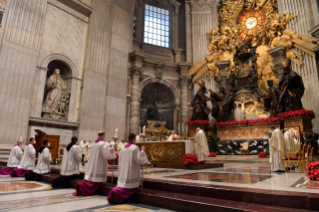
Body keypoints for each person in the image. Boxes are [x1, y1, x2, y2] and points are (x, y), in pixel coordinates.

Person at [108, 133, 148, 204]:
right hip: (131, 169)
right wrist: (143, 152)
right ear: (134, 139)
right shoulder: (135, 147)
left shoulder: (123, 148)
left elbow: (120, 159)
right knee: (130, 186)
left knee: (124, 183)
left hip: (124, 168)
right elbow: (138, 159)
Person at [73, 131, 116, 196]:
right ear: (103, 135)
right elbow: (106, 154)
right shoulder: (102, 143)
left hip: (93, 162)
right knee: (96, 178)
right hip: (99, 163)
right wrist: (113, 149)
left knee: (93, 176)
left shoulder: (94, 143)